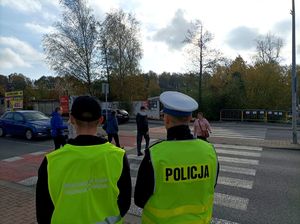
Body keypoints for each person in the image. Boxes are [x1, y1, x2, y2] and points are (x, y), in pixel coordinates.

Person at [36, 96, 132, 224]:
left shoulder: (51, 162)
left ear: (71, 119)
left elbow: (43, 215)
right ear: (101, 120)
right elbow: (124, 203)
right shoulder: (119, 156)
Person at [134, 91, 219, 224]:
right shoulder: (209, 151)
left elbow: (139, 200)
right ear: (191, 117)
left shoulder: (154, 154)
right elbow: (211, 186)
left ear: (166, 119)